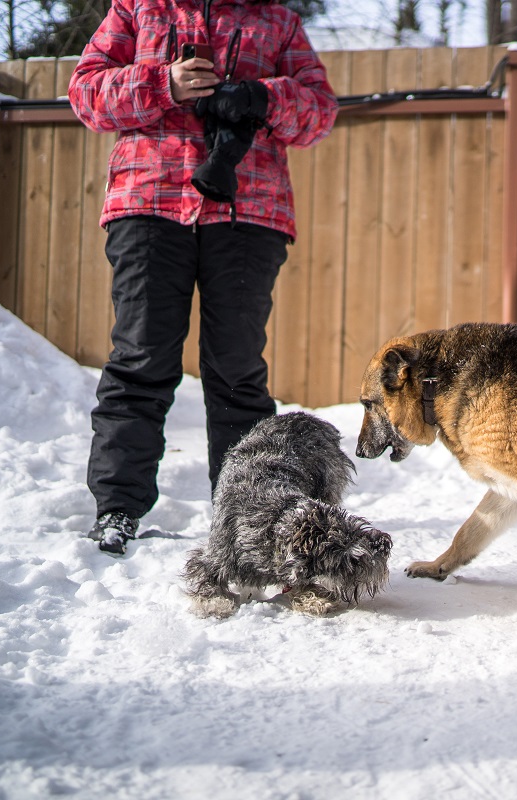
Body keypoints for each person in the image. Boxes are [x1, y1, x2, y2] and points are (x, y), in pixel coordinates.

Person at [68, 0, 338, 555]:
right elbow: (86, 93)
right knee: (140, 359)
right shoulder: (138, 9)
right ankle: (118, 507)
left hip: (250, 211)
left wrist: (266, 97)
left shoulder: (278, 21)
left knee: (238, 371)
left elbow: (320, 112)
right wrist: (162, 82)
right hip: (148, 203)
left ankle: (246, 512)